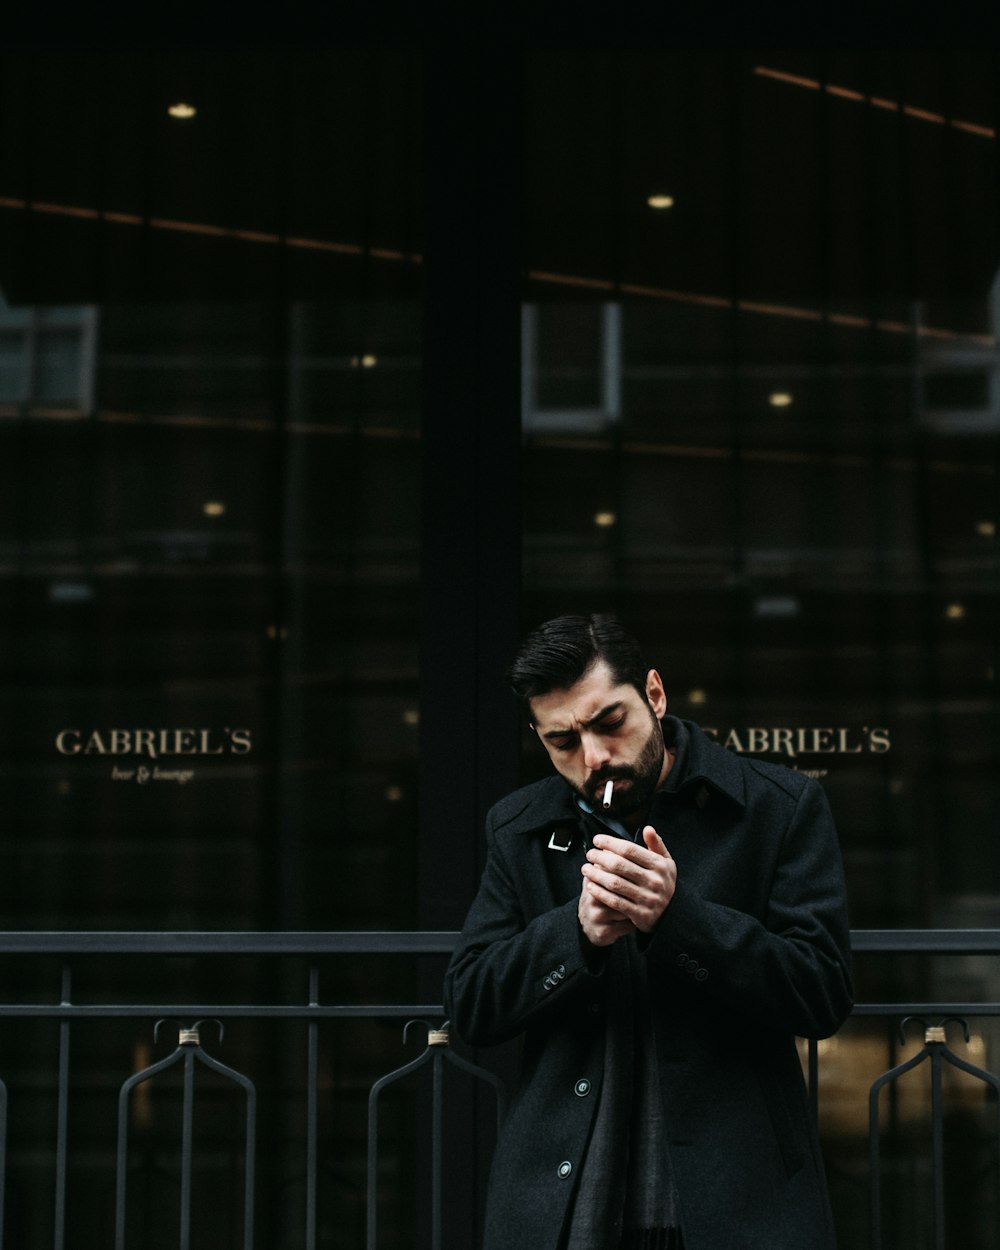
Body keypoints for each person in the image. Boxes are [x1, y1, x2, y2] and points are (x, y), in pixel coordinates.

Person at [444, 613, 853, 1250]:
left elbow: (821, 993)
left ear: (655, 695)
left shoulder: (778, 805)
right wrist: (575, 934)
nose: (595, 756)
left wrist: (679, 920)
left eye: (611, 723)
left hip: (736, 1192)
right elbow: (472, 1006)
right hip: (565, 1198)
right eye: (562, 742)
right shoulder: (518, 825)